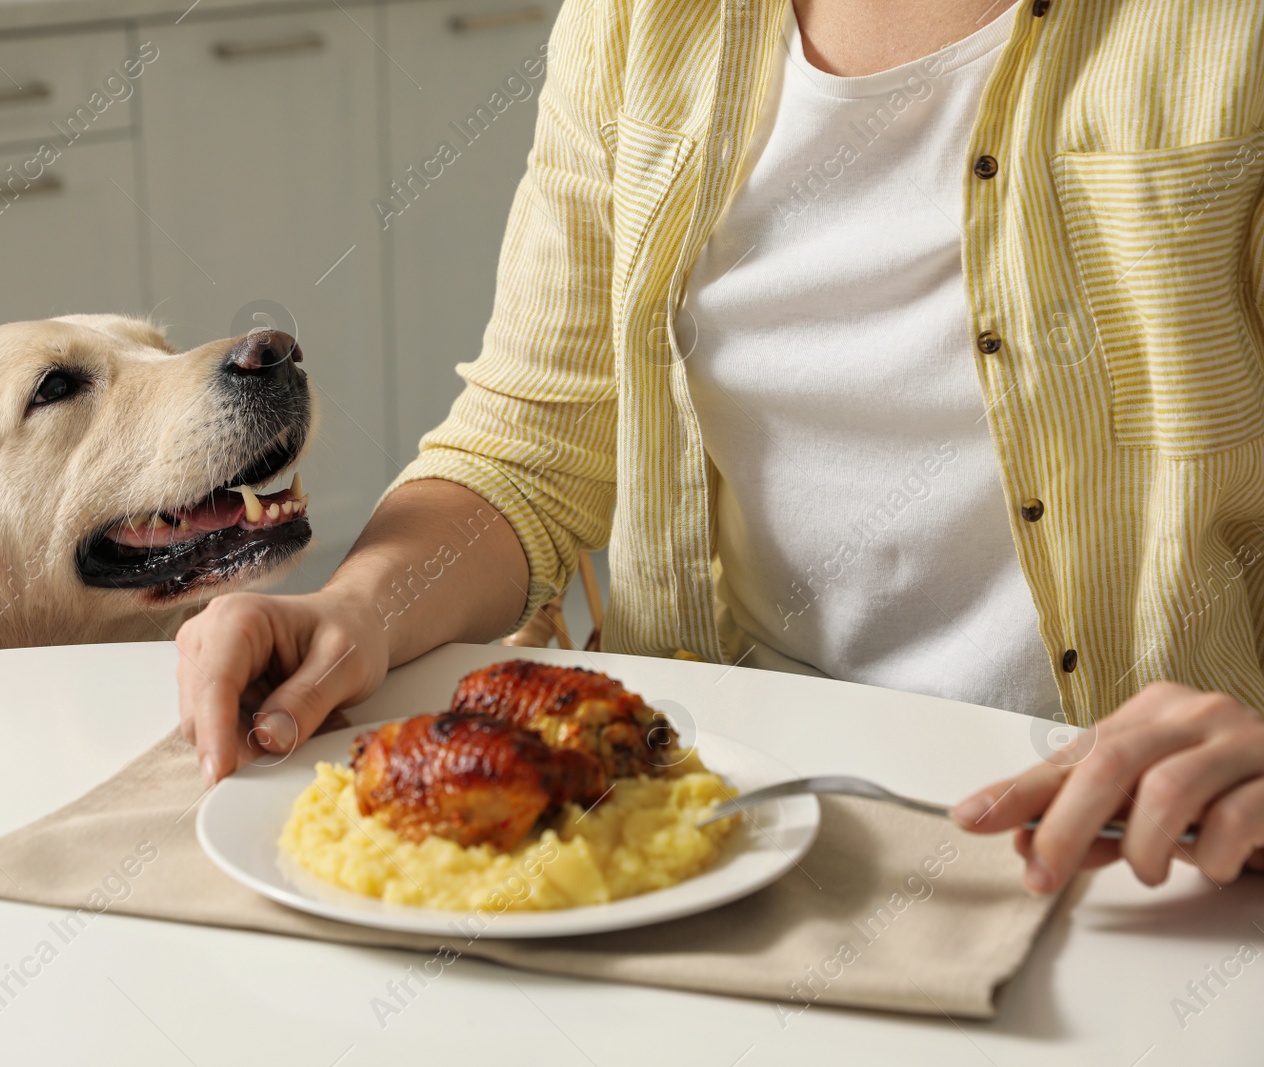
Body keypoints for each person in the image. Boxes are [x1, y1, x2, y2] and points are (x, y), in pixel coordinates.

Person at [178, 0, 1264, 893]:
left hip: (1133, 852)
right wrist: (356, 608)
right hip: (708, 831)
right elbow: (532, 439)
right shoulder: (636, 22)